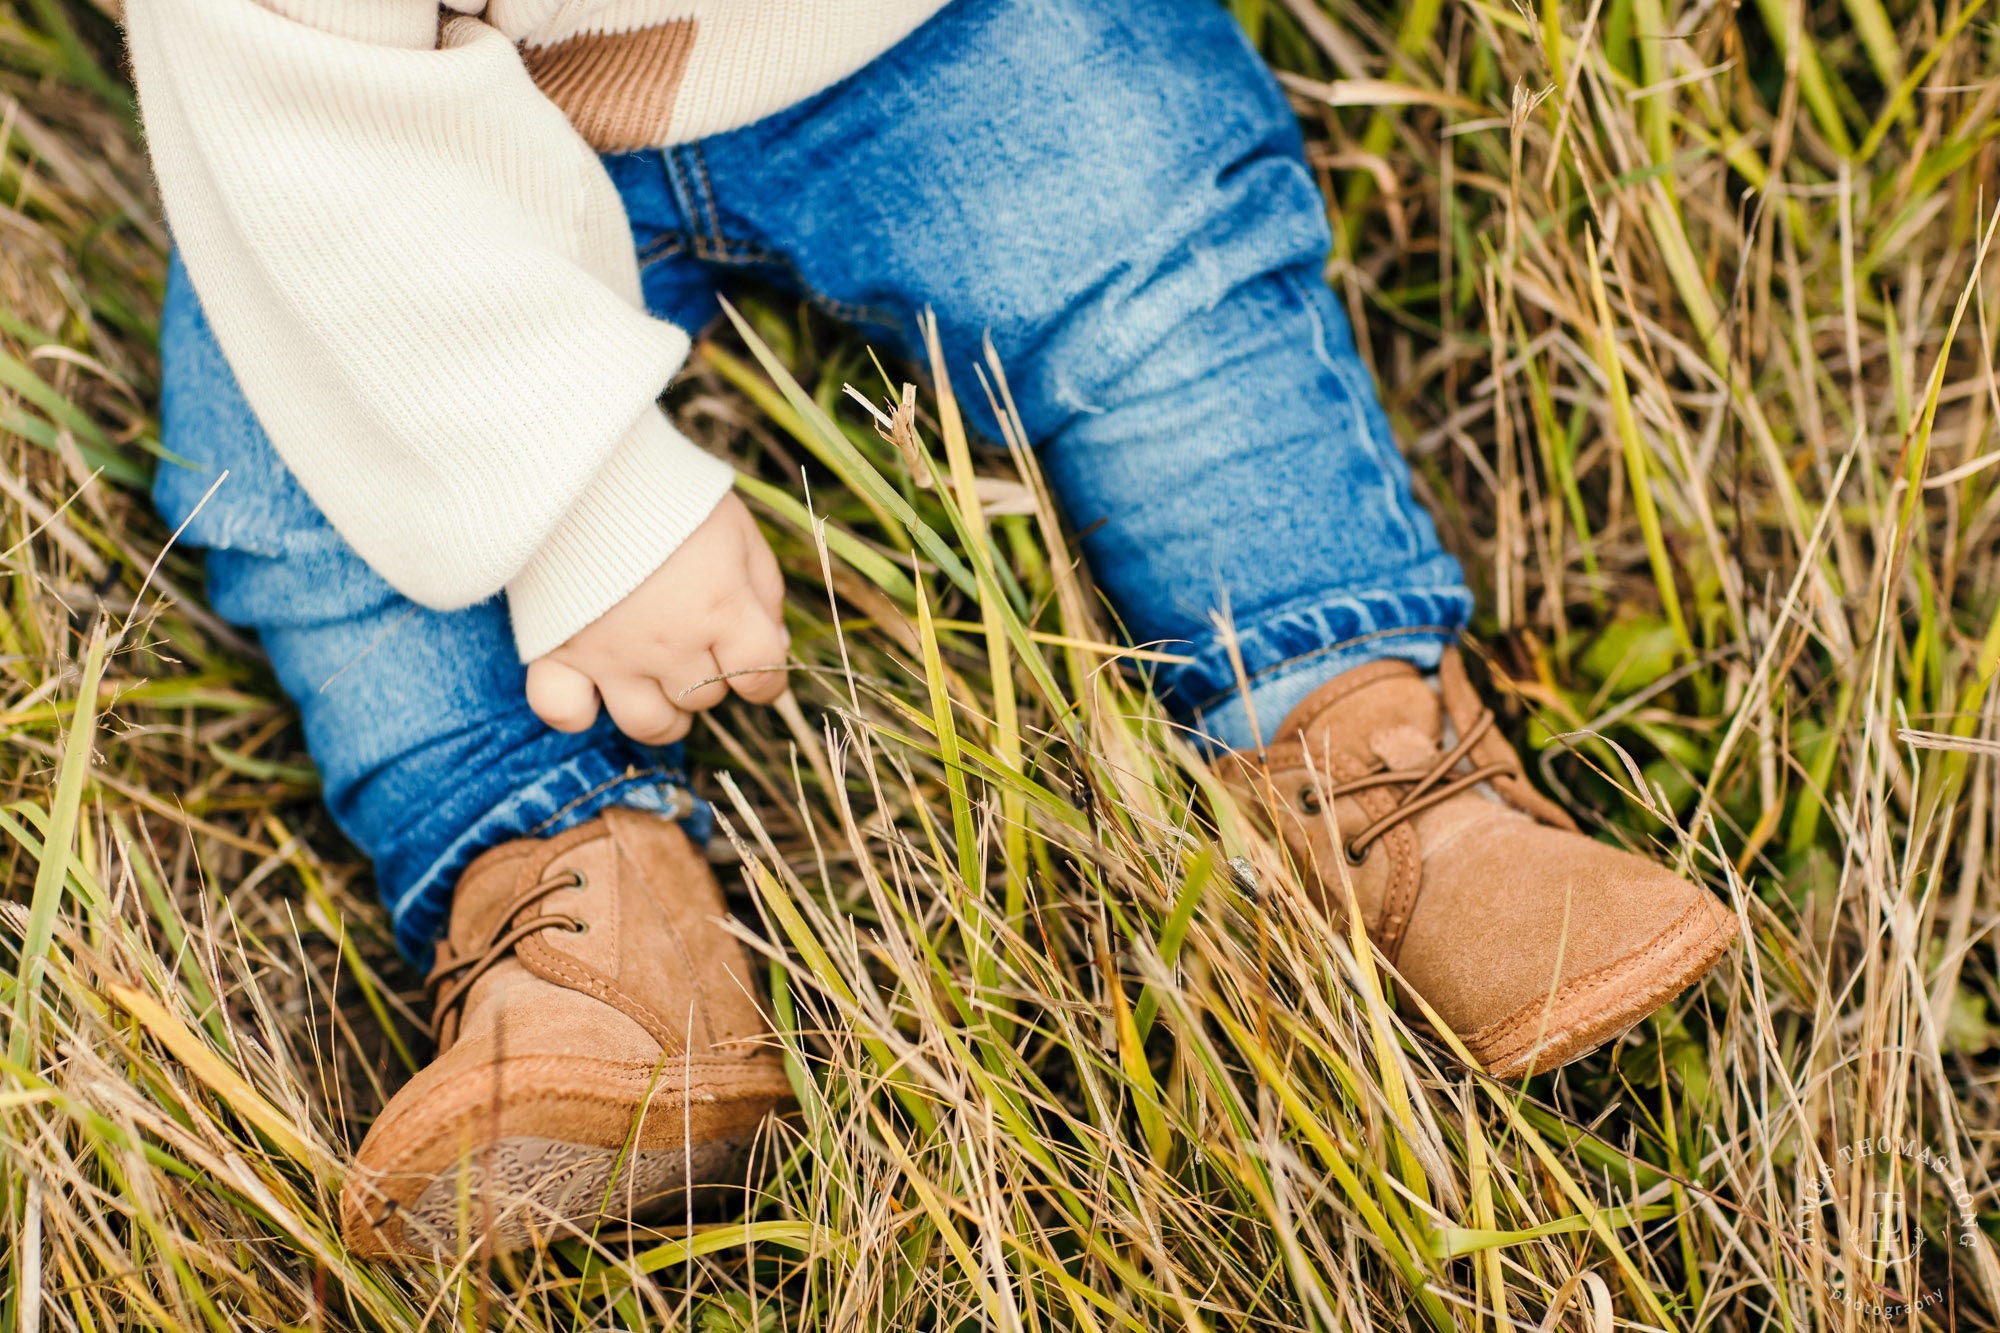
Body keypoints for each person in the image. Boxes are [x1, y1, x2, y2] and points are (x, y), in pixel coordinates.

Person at [123, 0, 1737, 1258]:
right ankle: (582, 917)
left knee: (1151, 258)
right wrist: (569, 484)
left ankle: (1363, 747)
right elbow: (291, 110)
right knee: (280, 455)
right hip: (400, 136)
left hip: (930, 33)